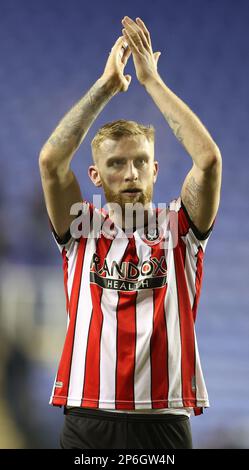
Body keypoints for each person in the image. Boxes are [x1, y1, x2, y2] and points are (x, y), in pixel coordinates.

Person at [39, 16, 222, 449]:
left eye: (141, 161)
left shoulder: (181, 228)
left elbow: (209, 161)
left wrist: (150, 81)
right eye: (116, 163)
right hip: (87, 415)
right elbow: (50, 162)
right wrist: (107, 87)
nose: (131, 173)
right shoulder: (80, 230)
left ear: (156, 169)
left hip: (163, 417)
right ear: (95, 176)